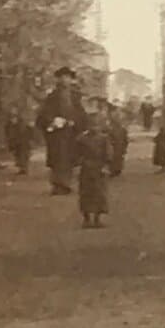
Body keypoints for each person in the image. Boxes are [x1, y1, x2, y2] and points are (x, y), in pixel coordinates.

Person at [37, 67, 85, 195]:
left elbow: (81, 114)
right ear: (58, 79)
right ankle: (58, 184)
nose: (65, 80)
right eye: (62, 77)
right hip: (57, 133)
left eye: (68, 77)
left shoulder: (76, 96)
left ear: (71, 80)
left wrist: (74, 122)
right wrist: (52, 121)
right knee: (57, 158)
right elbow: (44, 113)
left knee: (69, 158)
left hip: (71, 132)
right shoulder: (52, 96)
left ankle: (66, 183)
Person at [76, 108, 112, 229]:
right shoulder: (81, 138)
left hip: (99, 168)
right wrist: (78, 164)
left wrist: (106, 166)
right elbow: (76, 153)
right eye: (91, 124)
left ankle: (97, 219)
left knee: (99, 194)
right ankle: (86, 219)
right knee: (86, 193)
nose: (93, 127)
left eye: (96, 124)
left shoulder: (103, 138)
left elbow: (108, 154)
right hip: (86, 168)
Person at [106, 102, 130, 176]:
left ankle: (117, 169)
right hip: (115, 138)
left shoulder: (120, 125)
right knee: (114, 155)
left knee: (119, 155)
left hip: (119, 137)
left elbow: (121, 122)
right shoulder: (111, 118)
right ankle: (114, 170)